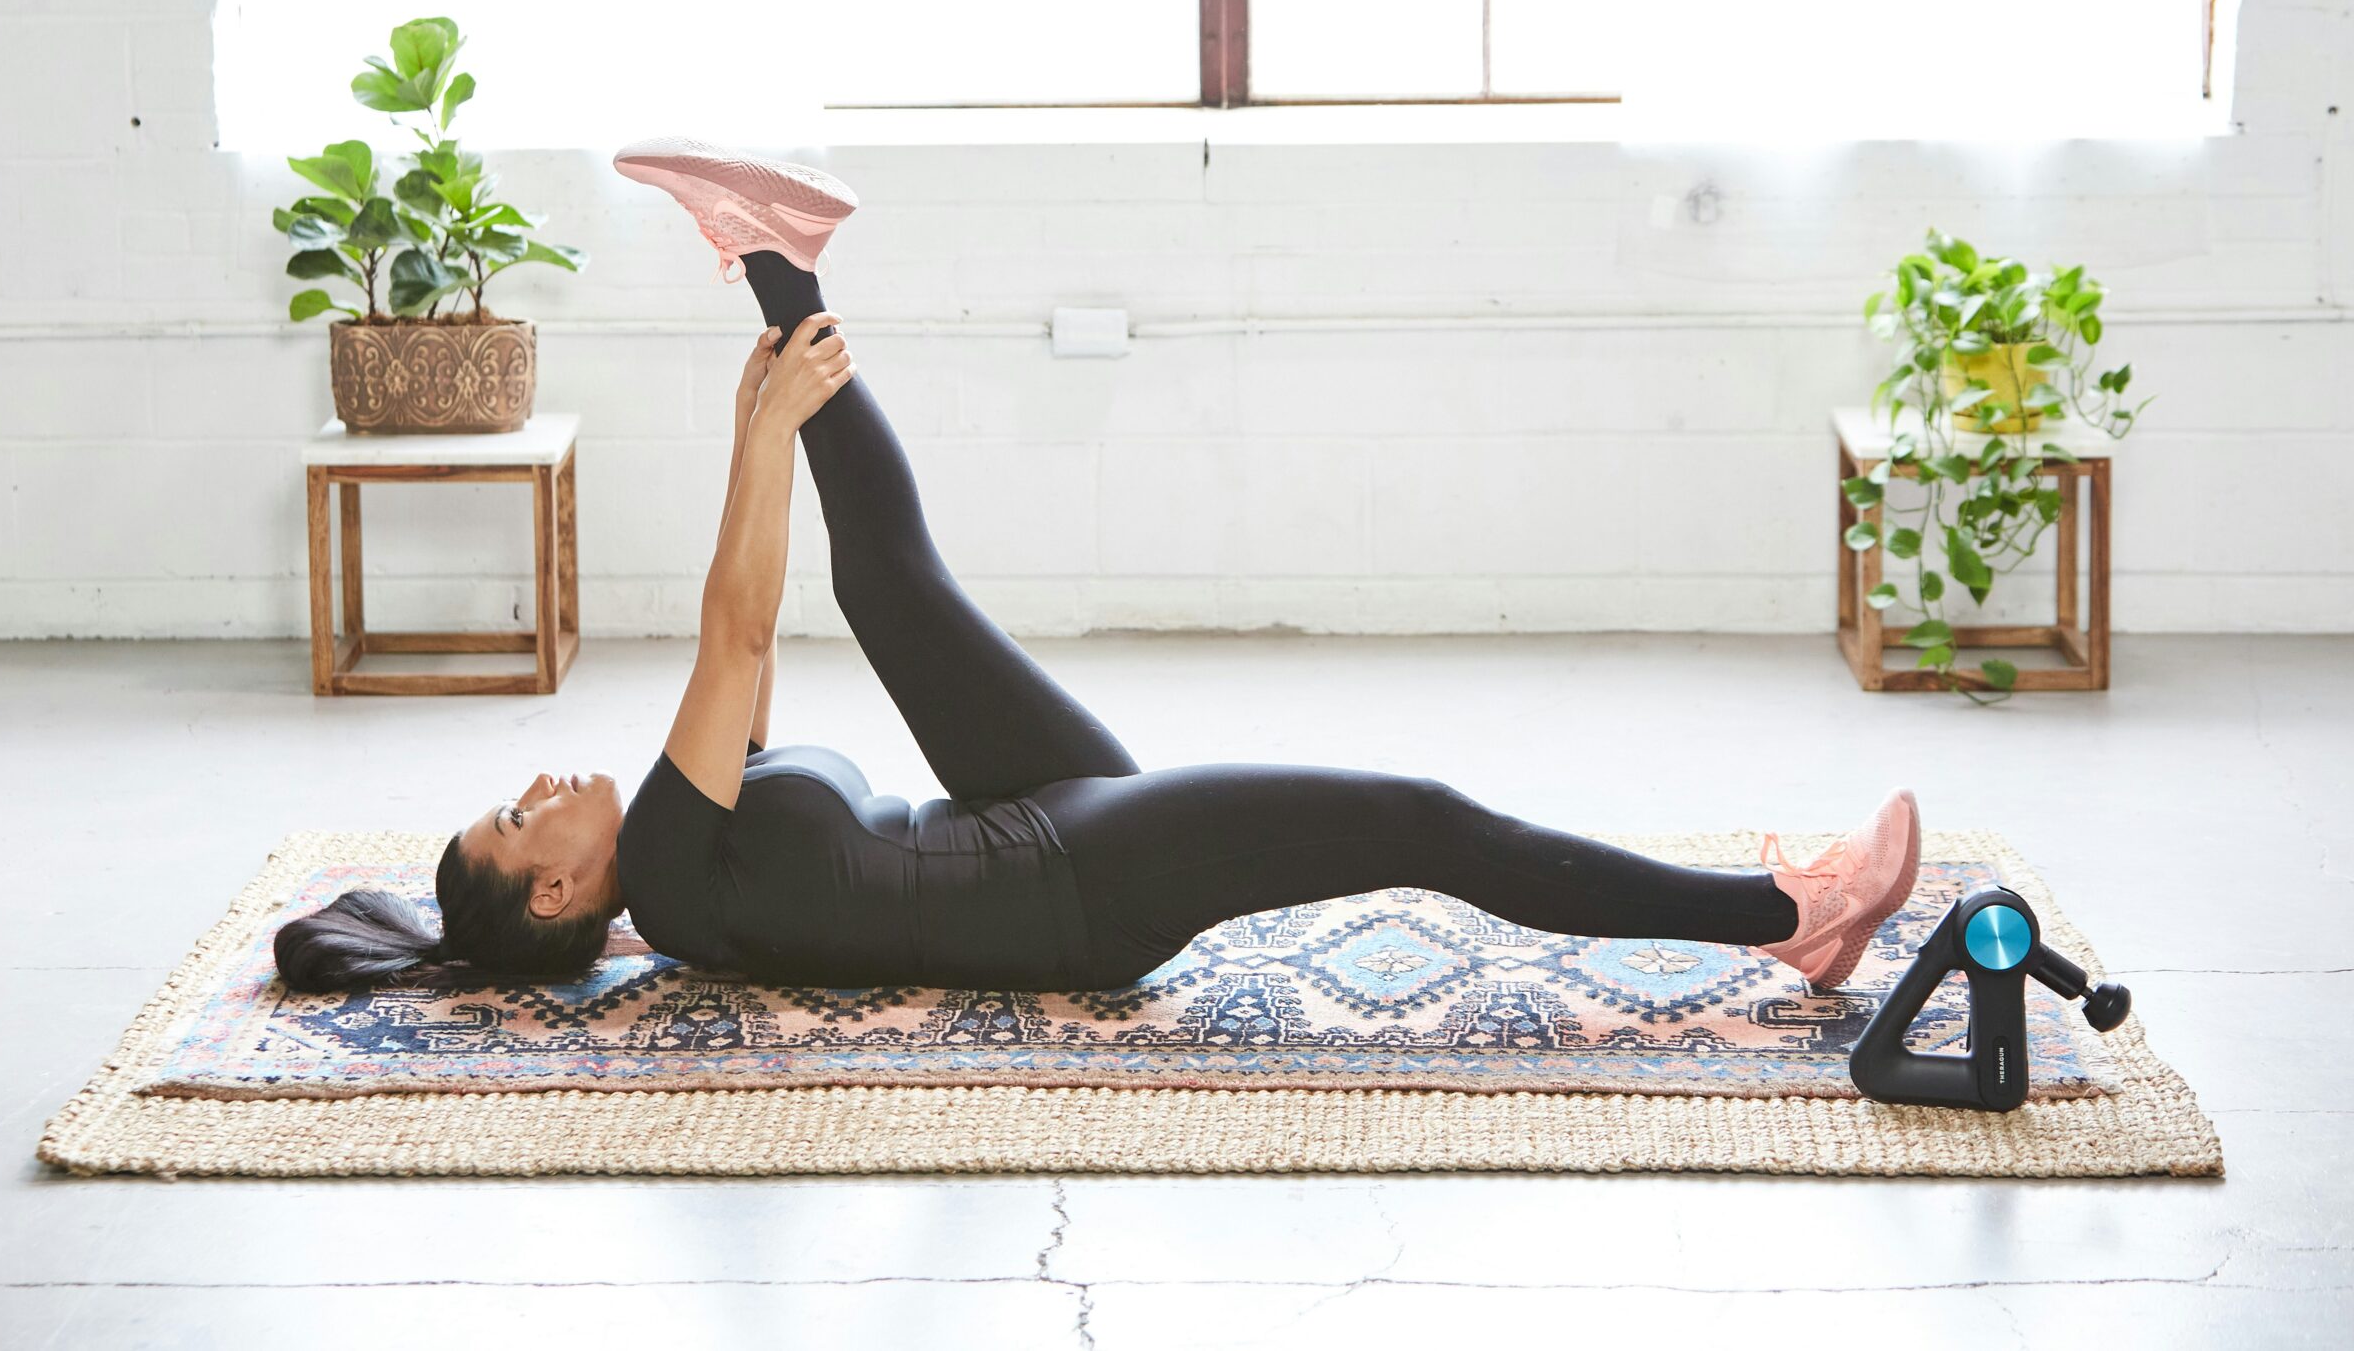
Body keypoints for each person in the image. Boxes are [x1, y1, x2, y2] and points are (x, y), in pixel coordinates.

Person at [274, 141, 1921, 998]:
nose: (541, 785)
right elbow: (727, 620)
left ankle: (774, 257)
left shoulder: (679, 871)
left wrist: (758, 430)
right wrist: (758, 443)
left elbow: (760, 640)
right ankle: (1784, 916)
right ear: (559, 891)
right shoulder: (676, 871)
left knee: (891, 590)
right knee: (1418, 819)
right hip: (1076, 894)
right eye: (519, 818)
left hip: (1024, 817)